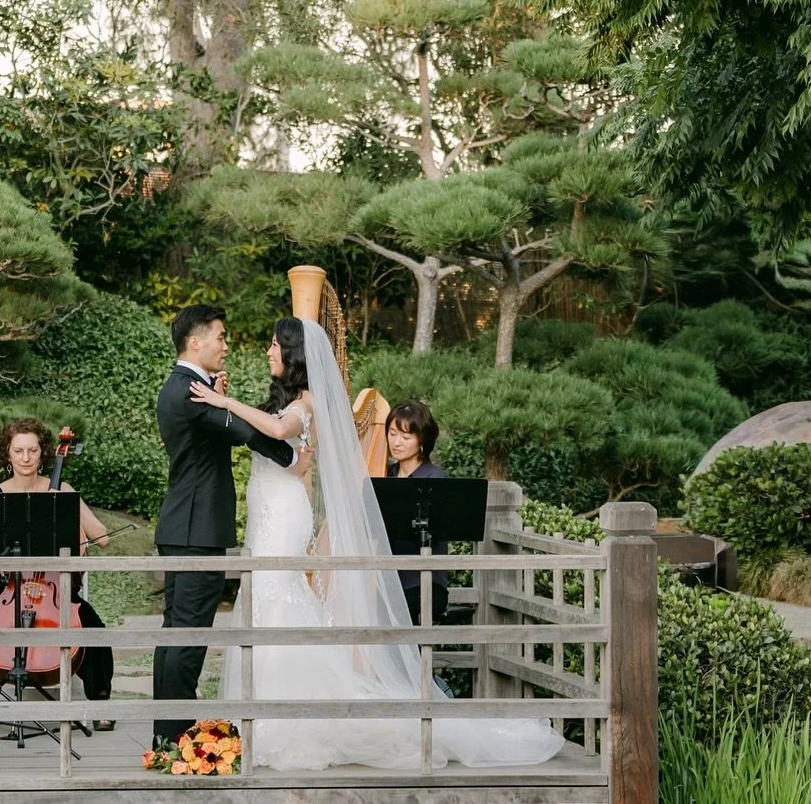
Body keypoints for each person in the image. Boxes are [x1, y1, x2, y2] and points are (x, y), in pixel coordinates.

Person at [188, 320, 564, 769]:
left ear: (294, 355)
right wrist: (226, 398)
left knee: (276, 598)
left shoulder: (306, 403)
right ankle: (261, 716)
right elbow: (287, 456)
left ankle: (286, 720)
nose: (268, 349)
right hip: (272, 513)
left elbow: (275, 429)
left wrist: (224, 400)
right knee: (267, 601)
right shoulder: (287, 405)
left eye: (274, 344)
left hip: (281, 520)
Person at [152, 304, 298, 748]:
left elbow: (220, 428)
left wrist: (218, 393)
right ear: (195, 342)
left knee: (175, 631)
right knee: (189, 635)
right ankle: (177, 738)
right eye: (220, 336)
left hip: (181, 526)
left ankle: (166, 734)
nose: (226, 344)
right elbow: (243, 431)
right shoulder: (192, 392)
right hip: (197, 532)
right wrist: (290, 455)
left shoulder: (180, 386)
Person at [0, 417, 117, 732]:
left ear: (43, 453)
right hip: (7, 590)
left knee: (92, 625)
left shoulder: (61, 489)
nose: (26, 458)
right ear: (7, 455)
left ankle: (101, 701)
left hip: (54, 590)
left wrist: (66, 499)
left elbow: (102, 538)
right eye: (19, 451)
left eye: (32, 450)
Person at [384, 399, 451, 627]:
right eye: (392, 433)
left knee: (392, 607)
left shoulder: (435, 480)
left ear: (421, 439)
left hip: (423, 581)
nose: (396, 442)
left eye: (405, 436)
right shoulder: (383, 475)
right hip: (386, 579)